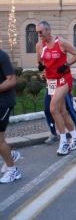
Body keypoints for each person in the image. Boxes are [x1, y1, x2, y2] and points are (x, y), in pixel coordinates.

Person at [36, 21, 76, 156]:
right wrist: (41, 70)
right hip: (51, 81)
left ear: (48, 31)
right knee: (61, 112)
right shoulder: (39, 45)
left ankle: (63, 141)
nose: (39, 35)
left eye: (41, 32)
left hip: (63, 79)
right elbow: (39, 62)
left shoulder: (60, 42)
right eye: (37, 32)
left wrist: (66, 64)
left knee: (52, 109)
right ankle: (75, 136)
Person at [0, 49, 21, 183]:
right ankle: (10, 154)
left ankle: (13, 170)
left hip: (3, 103)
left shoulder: (1, 55)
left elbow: (12, 80)